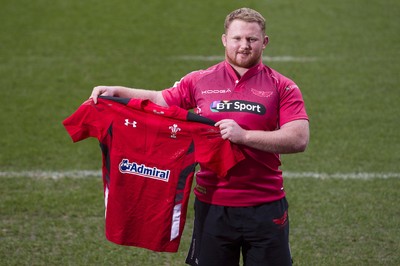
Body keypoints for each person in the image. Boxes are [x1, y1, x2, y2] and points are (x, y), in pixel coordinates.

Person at [90, 7, 309, 266]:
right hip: (213, 205)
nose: (244, 46)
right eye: (237, 38)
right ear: (225, 40)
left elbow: (298, 138)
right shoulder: (200, 80)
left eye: (252, 39)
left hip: (265, 205)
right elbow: (160, 100)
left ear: (265, 42)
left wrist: (245, 136)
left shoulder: (282, 85)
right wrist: (117, 91)